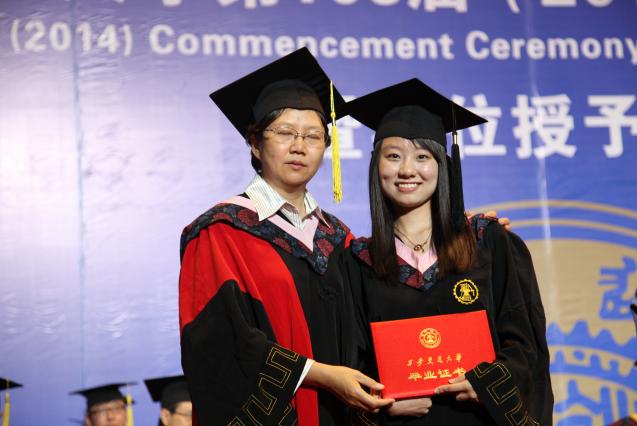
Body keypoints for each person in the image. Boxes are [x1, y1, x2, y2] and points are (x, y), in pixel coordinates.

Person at [179, 47, 393, 426]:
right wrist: (320, 375)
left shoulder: (337, 238)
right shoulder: (220, 232)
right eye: (284, 132)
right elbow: (217, 346)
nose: (299, 146)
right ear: (254, 142)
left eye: (313, 136)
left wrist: (463, 237)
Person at [344, 78, 553, 425]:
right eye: (393, 156)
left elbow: (524, 343)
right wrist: (380, 404)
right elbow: (351, 362)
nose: (407, 170)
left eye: (422, 157)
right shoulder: (358, 262)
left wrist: (488, 383)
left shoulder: (487, 243)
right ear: (375, 166)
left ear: (443, 165)